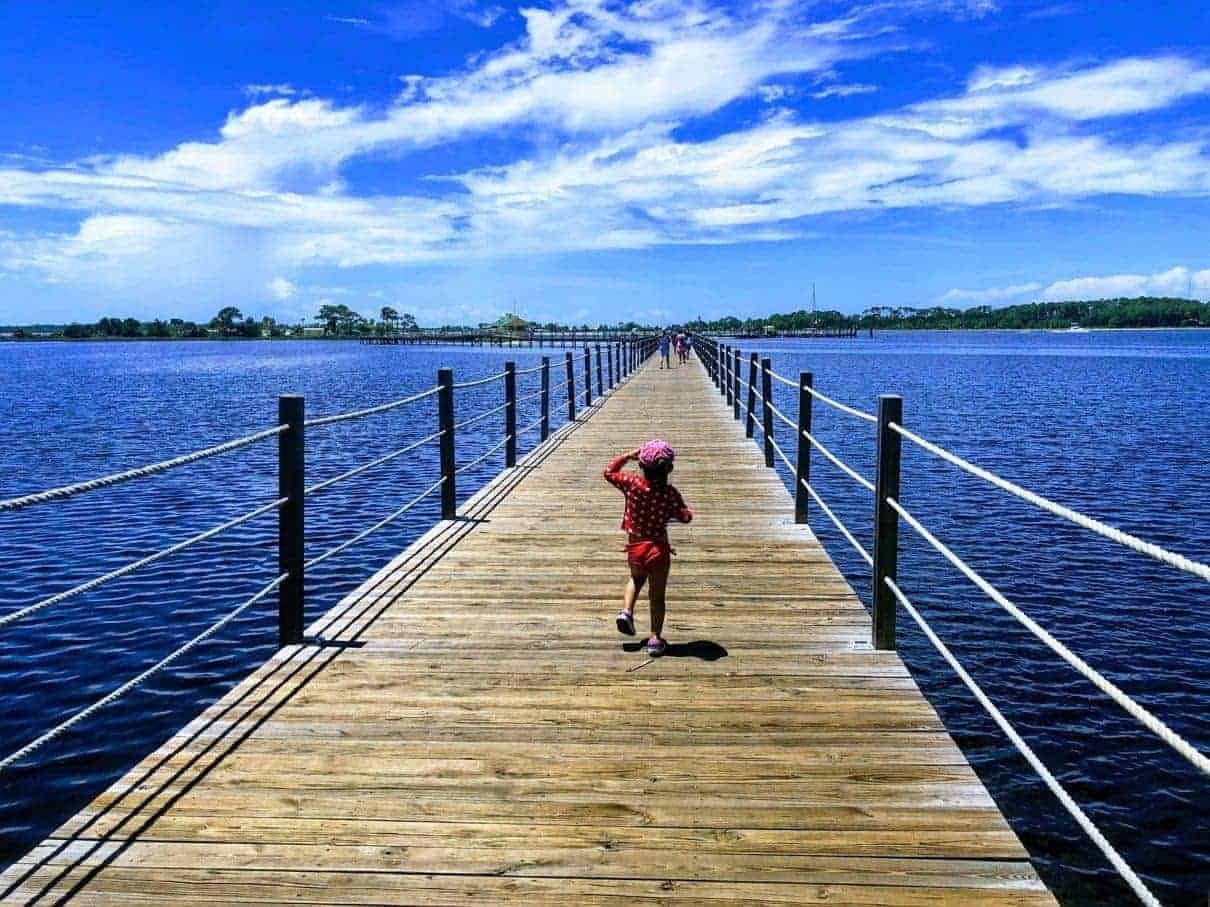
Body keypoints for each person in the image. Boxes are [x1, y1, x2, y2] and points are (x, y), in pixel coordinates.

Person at [603, 440, 693, 657]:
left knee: (635, 579)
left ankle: (627, 611)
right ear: (669, 469)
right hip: (658, 550)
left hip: (635, 546)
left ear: (641, 466)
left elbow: (608, 472)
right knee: (657, 596)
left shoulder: (631, 483)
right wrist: (681, 510)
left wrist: (626, 456)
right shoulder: (670, 493)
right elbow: (685, 517)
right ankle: (655, 639)